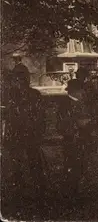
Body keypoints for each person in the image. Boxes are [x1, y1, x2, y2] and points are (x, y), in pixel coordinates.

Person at [4, 69, 46, 202]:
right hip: (19, 132)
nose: (20, 83)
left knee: (33, 159)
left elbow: (41, 116)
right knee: (18, 161)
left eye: (22, 80)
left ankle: (37, 186)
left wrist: (38, 131)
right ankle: (20, 187)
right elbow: (9, 116)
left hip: (30, 132)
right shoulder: (12, 95)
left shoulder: (34, 94)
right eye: (18, 80)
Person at [59, 79, 94, 200]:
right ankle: (72, 191)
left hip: (80, 139)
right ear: (76, 91)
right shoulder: (66, 104)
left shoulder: (79, 102)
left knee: (80, 165)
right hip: (73, 139)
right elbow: (64, 123)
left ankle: (77, 189)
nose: (83, 93)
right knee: (72, 165)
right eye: (81, 90)